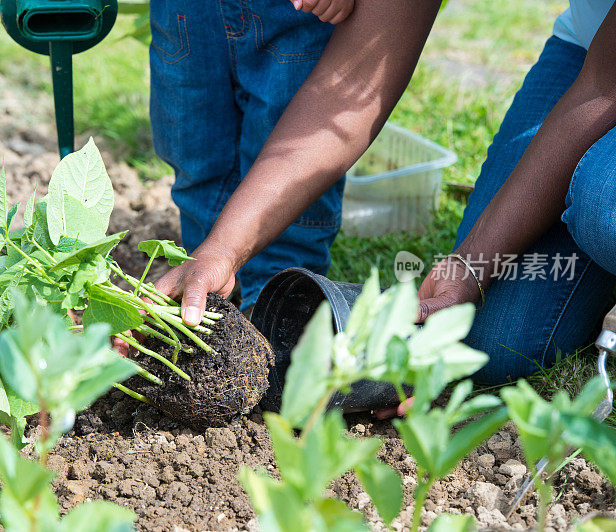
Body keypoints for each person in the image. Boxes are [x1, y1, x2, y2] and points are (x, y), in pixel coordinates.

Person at [156, 0, 616, 391]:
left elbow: (606, 90)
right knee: (496, 345)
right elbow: (353, 83)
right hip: (592, 53)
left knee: (604, 206)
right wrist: (222, 249)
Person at [150, 0, 443, 325]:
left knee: (284, 145)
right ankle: (207, 295)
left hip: (294, 12)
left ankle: (276, 310)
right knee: (197, 153)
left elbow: (345, 93)